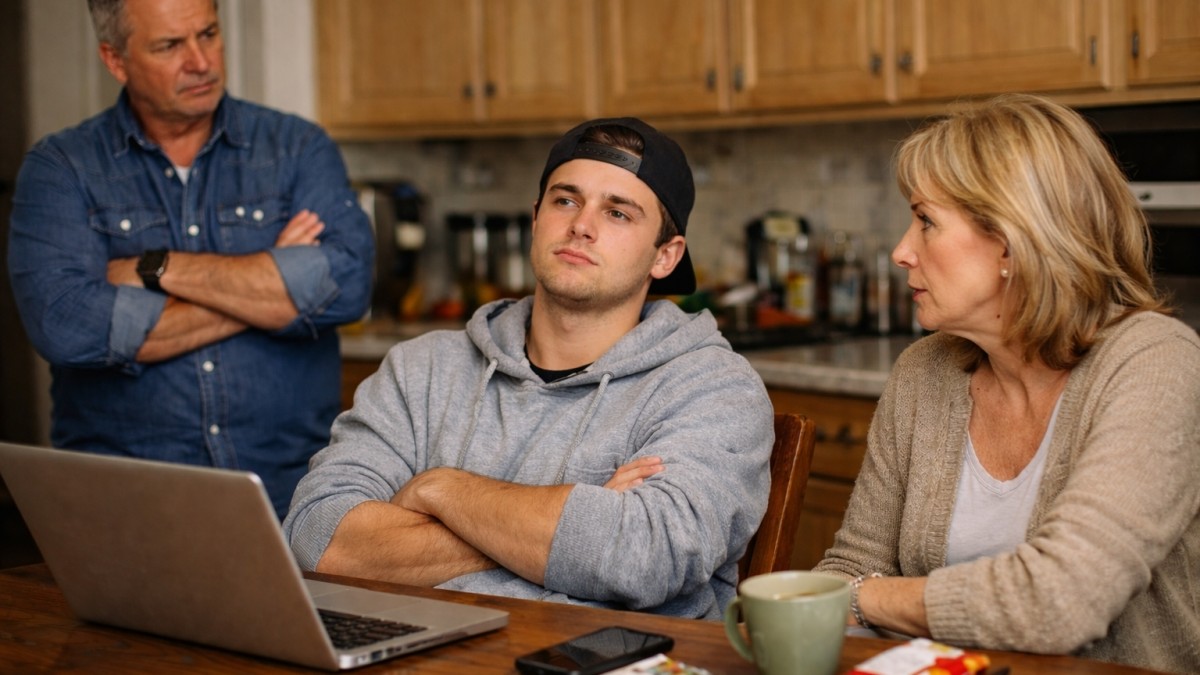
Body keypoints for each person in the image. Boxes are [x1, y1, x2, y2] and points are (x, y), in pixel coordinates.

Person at [283, 117, 774, 620]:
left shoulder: (713, 388)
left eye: (618, 213)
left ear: (665, 257)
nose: (582, 225)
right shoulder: (420, 370)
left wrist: (440, 488)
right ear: (536, 218)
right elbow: (320, 542)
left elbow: (646, 557)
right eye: (566, 200)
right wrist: (573, 524)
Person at [814, 93, 1200, 673]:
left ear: (1010, 243)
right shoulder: (925, 373)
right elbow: (852, 564)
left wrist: (863, 599)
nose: (900, 252)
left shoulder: (1155, 363)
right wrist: (816, 601)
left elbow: (1061, 601)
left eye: (925, 222)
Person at [7, 0, 374, 518]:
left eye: (208, 34)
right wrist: (269, 286)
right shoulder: (61, 168)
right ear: (115, 60)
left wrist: (154, 269)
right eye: (170, 46)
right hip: (126, 501)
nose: (201, 61)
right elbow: (67, 327)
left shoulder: (297, 148)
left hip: (294, 495)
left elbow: (350, 284)